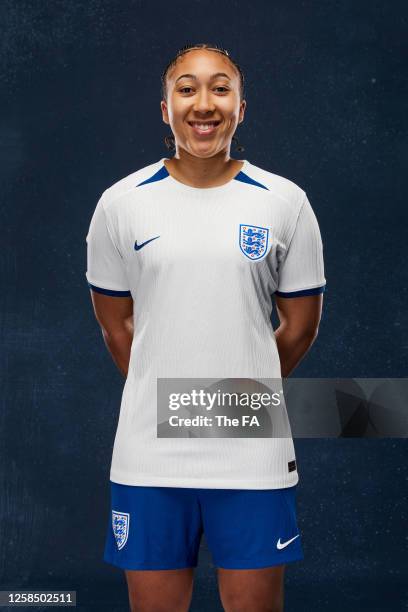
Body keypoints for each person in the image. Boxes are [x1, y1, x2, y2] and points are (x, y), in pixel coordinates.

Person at [85, 43, 326, 612]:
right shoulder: (120, 204)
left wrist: (234, 401)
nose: (204, 103)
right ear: (165, 108)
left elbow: (299, 327)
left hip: (250, 455)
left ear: (241, 109)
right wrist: (167, 394)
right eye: (187, 88)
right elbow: (116, 325)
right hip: (149, 456)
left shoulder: (285, 203)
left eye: (221, 88)